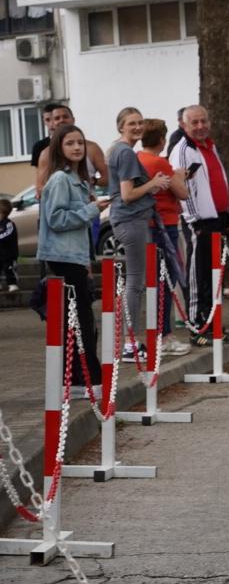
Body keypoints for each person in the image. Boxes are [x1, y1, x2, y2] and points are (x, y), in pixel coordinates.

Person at [38, 124, 103, 393]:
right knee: (79, 320)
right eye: (70, 143)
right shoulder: (60, 180)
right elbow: (55, 219)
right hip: (62, 258)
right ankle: (80, 378)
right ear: (59, 149)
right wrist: (91, 209)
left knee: (82, 319)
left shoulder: (77, 180)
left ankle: (82, 376)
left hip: (75, 257)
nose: (77, 147)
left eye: (80, 143)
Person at [106, 106, 173, 362]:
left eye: (140, 123)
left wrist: (150, 183)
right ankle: (128, 343)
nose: (137, 127)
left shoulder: (121, 151)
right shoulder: (125, 153)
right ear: (121, 126)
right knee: (135, 283)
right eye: (131, 123)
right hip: (131, 220)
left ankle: (129, 340)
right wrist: (153, 184)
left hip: (132, 220)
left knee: (136, 282)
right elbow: (128, 194)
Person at [169, 105, 229, 347]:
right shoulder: (184, 150)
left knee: (213, 274)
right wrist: (195, 220)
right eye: (194, 123)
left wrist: (227, 214)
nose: (200, 127)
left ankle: (212, 323)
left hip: (217, 218)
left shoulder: (210, 146)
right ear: (184, 126)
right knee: (199, 274)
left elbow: (219, 180)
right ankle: (198, 326)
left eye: (203, 121)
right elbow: (185, 189)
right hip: (199, 223)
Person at [137, 119, 191, 357]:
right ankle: (164, 335)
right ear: (162, 140)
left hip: (146, 224)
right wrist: (180, 175)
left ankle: (159, 332)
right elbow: (182, 192)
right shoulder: (160, 162)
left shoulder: (137, 159)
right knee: (166, 280)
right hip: (164, 224)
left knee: (155, 281)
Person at [34, 104, 108, 193]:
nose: (62, 120)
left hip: (87, 203)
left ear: (73, 120)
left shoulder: (92, 148)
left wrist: (91, 181)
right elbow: (40, 188)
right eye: (57, 118)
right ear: (52, 123)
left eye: (65, 116)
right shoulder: (46, 153)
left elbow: (108, 178)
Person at [0, 198, 18, 292]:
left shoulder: (9, 224)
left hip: (9, 253)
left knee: (9, 268)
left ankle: (12, 283)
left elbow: (8, 233)